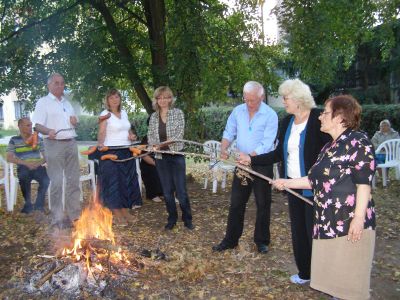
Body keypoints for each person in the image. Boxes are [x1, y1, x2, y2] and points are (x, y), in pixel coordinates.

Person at [273, 95, 376, 299]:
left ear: (340, 117)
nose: (320, 117)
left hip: (348, 224)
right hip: (327, 223)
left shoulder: (358, 141)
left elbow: (364, 184)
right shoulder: (328, 147)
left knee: (351, 282)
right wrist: (286, 182)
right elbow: (314, 180)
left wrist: (358, 219)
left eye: (325, 113)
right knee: (336, 279)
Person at [238, 79, 331, 284]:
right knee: (299, 231)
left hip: (314, 188)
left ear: (298, 99)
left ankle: (325, 278)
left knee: (314, 232)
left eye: (286, 98)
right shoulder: (287, 122)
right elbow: (278, 153)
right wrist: (251, 159)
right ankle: (305, 273)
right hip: (293, 187)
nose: (283, 101)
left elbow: (329, 154)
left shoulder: (318, 120)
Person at [212, 81, 278, 253]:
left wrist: (251, 157)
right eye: (246, 99)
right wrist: (224, 147)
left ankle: (262, 240)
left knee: (263, 203)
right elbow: (229, 132)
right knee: (236, 203)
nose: (249, 104)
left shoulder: (270, 115)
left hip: (262, 164)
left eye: (253, 100)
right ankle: (230, 240)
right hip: (241, 164)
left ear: (261, 98)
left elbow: (267, 142)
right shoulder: (237, 111)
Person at [32, 73, 81, 229]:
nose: (60, 86)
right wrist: (48, 131)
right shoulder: (43, 102)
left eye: (62, 83)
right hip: (53, 144)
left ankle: (75, 215)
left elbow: (74, 123)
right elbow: (37, 126)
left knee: (73, 181)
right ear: (49, 85)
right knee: (57, 182)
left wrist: (75, 122)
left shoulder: (67, 103)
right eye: (56, 83)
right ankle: (57, 217)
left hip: (71, 143)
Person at [147, 86, 194, 230]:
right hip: (161, 158)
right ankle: (172, 218)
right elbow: (151, 136)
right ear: (156, 100)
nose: (163, 100)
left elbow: (179, 134)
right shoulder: (153, 117)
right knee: (167, 192)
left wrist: (162, 143)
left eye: (166, 97)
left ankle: (187, 218)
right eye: (159, 98)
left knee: (181, 191)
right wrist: (153, 145)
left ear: (170, 99)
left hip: (176, 155)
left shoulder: (178, 113)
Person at [97, 89, 142, 224]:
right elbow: (101, 133)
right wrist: (100, 142)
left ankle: (125, 210)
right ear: (107, 100)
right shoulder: (105, 114)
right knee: (114, 183)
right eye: (111, 98)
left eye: (117, 97)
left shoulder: (124, 113)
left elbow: (128, 131)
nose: (115, 100)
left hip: (126, 150)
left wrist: (131, 136)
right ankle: (116, 213)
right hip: (111, 151)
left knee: (126, 182)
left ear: (120, 99)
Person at [6, 117, 50, 213]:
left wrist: (38, 163)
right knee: (23, 176)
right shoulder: (14, 140)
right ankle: (28, 204)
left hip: (37, 166)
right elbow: (9, 157)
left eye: (31, 124)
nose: (31, 127)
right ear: (20, 126)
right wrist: (26, 163)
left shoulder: (38, 138)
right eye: (28, 125)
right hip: (23, 166)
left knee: (46, 179)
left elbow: (46, 156)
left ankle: (39, 205)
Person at [138, 119, 164, 203]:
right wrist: (155, 163)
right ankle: (153, 194)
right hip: (149, 162)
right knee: (153, 169)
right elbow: (143, 155)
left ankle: (164, 193)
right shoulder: (146, 138)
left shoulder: (164, 137)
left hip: (162, 160)